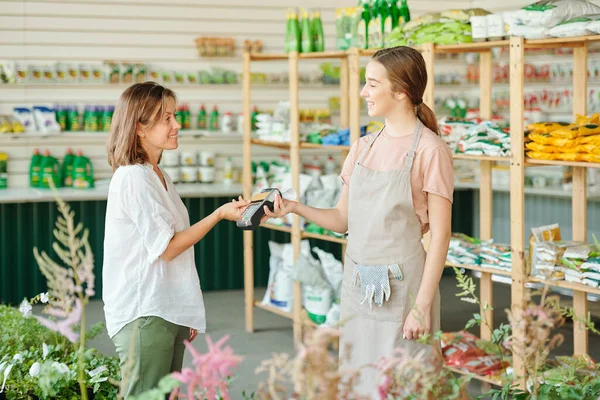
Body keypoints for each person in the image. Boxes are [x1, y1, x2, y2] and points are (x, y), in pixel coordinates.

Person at [263, 46, 453, 396]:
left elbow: (440, 236)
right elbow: (340, 219)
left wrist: (421, 307)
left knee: (405, 382)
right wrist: (294, 207)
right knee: (359, 381)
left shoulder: (431, 150)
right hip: (358, 289)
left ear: (401, 92)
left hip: (404, 294)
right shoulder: (362, 147)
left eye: (371, 84)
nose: (364, 92)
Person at [102, 82, 249, 397]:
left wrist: (184, 310)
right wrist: (219, 214)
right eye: (166, 118)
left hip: (163, 309)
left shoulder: (157, 175)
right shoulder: (133, 178)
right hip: (145, 313)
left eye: (174, 116)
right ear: (140, 127)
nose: (176, 125)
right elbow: (167, 249)